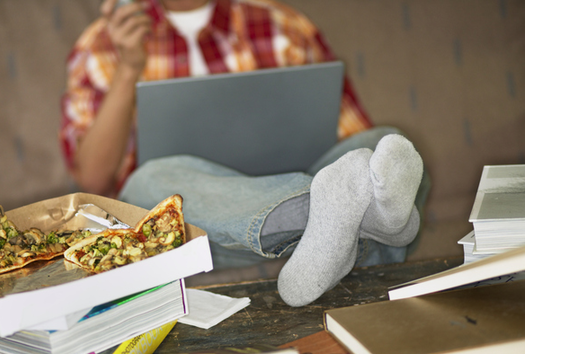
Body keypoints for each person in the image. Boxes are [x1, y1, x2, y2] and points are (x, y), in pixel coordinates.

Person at [60, 0, 430, 306]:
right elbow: (92, 179)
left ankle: (330, 232)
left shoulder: (283, 26)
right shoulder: (101, 45)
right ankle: (366, 224)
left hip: (297, 198)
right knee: (149, 180)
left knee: (386, 142)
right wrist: (128, 70)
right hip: (195, 234)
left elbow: (354, 145)